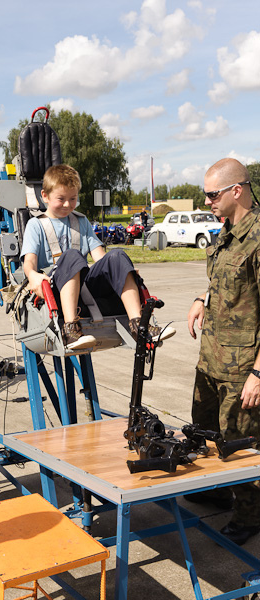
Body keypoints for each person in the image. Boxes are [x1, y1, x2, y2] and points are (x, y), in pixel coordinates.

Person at [21, 164, 175, 351]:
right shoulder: (35, 225)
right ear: (44, 196)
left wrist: (121, 270)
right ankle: (70, 329)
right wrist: (32, 275)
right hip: (54, 288)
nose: (68, 204)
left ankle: (138, 326)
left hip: (85, 285)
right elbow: (29, 261)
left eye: (73, 199)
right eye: (61, 199)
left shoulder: (81, 221)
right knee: (72, 255)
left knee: (117, 256)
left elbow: (100, 259)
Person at [187, 158, 260, 545]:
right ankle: (216, 491)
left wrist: (259, 374)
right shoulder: (227, 231)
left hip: (242, 368)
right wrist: (203, 296)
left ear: (237, 190)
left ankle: (250, 515)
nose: (207, 200)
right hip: (212, 358)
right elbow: (221, 280)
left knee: (241, 444)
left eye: (212, 194)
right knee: (206, 432)